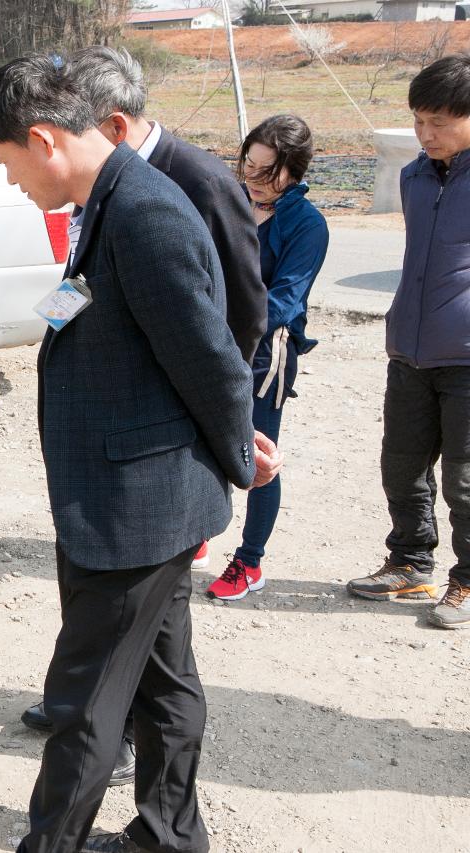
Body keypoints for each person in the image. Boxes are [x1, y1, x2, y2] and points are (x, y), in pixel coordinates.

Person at [0, 57, 272, 853]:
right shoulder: (105, 200)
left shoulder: (144, 215)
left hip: (136, 508)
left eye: (7, 163)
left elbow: (210, 355)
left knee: (84, 702)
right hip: (131, 494)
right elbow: (111, 317)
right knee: (164, 682)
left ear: (43, 140)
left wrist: (239, 448)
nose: (10, 183)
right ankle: (170, 836)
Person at [347, 54, 470, 629]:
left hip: (468, 356)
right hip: (411, 349)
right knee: (402, 465)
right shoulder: (415, 175)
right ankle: (410, 562)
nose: (425, 134)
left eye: (440, 122)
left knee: (465, 478)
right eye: (419, 120)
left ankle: (466, 580)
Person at [206, 115, 328, 602]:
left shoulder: (306, 224)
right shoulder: (229, 199)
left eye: (266, 171)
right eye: (247, 165)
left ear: (294, 172)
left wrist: (226, 318)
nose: (252, 178)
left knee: (258, 455)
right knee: (202, 442)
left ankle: (249, 561)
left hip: (265, 352)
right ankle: (195, 534)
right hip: (213, 340)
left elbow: (287, 299)